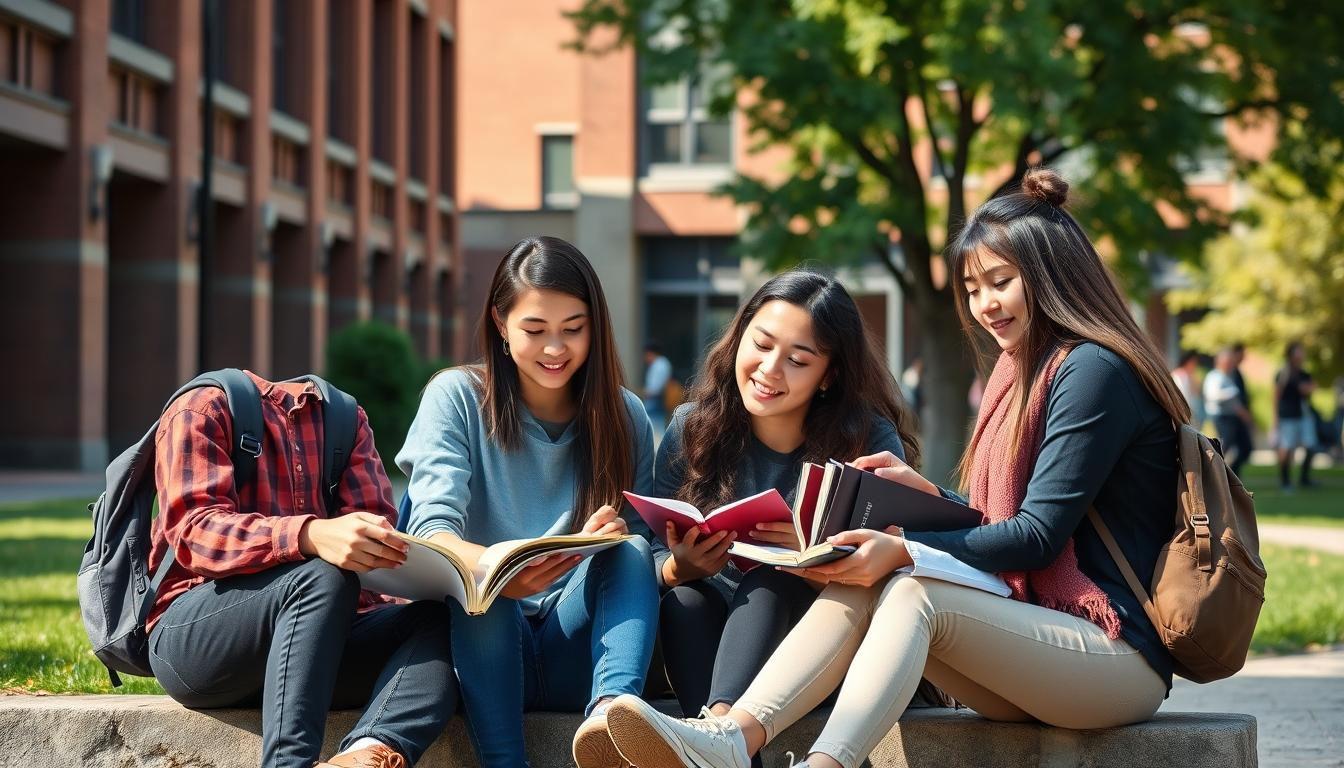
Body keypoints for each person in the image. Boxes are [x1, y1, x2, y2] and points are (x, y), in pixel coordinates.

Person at [596, 168, 1187, 768]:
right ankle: (728, 740)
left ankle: (814, 762)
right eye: (972, 287)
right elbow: (1002, 520)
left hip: (1113, 656)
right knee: (867, 577)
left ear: (1051, 275)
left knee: (907, 588)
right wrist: (932, 498)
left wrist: (906, 543)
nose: (984, 304)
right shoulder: (1021, 372)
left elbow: (1037, 537)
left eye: (1000, 282)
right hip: (1033, 643)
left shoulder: (1093, 372)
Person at [396, 235, 659, 768]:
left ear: (596, 327)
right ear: (500, 323)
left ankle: (613, 722)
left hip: (575, 648)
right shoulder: (456, 397)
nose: (555, 349)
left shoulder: (624, 416)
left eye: (573, 330)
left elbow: (645, 559)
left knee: (629, 549)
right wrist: (505, 564)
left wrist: (641, 555)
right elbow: (430, 531)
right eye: (535, 330)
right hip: (481, 647)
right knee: (481, 584)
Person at [146, 370, 459, 768]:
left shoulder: (346, 420)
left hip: (315, 646)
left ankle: (365, 752)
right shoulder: (201, 409)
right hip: (196, 641)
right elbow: (194, 532)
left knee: (444, 621)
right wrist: (309, 534)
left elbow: (374, 541)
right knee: (322, 575)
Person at [652, 270, 921, 724]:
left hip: (820, 644)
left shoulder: (868, 440)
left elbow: (897, 565)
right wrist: (680, 566)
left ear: (827, 376)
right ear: (740, 337)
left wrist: (814, 557)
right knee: (685, 605)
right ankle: (724, 739)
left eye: (798, 360)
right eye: (761, 344)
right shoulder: (690, 428)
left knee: (772, 579)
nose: (769, 370)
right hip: (713, 638)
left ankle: (718, 731)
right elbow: (651, 553)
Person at [1274, 341, 1318, 490]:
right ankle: (1285, 481)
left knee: (1311, 445)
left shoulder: (1304, 373)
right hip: (1288, 416)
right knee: (1286, 448)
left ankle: (1304, 478)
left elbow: (1311, 388)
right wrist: (1275, 419)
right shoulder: (1283, 373)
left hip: (1304, 415)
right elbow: (1276, 396)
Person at [1204, 347, 1254, 476]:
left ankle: (1232, 474)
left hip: (1234, 416)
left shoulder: (1230, 376)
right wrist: (1229, 393)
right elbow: (1212, 395)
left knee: (1245, 447)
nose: (1231, 364)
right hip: (1222, 417)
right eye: (1228, 361)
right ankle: (1214, 474)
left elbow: (1236, 402)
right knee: (1224, 447)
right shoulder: (1214, 376)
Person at [643, 341, 674, 437]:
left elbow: (655, 388)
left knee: (655, 431)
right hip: (657, 400)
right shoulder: (662, 363)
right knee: (657, 428)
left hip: (655, 400)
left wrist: (645, 392)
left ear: (650, 353)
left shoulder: (659, 365)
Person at [1171, 350, 1204, 428]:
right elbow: (1183, 396)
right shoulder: (1179, 375)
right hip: (1183, 413)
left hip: (1191, 413)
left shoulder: (1190, 376)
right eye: (1194, 363)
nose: (1195, 365)